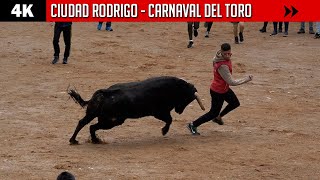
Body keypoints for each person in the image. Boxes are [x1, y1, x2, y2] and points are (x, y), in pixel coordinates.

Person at [187, 43, 253, 135]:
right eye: (225, 54)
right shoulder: (222, 66)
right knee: (212, 113)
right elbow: (231, 82)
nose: (227, 56)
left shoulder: (218, 57)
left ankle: (218, 117)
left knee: (235, 103)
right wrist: (246, 79)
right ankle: (193, 124)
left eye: (229, 54)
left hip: (223, 88)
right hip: (218, 91)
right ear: (221, 52)